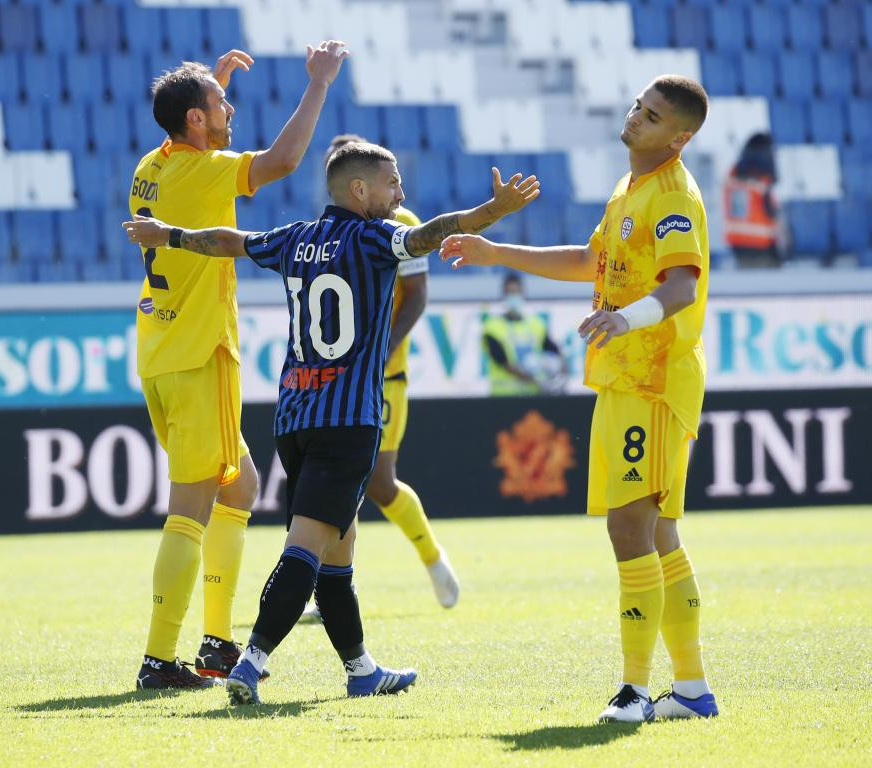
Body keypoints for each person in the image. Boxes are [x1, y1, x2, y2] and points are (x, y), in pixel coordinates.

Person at [123, 141, 539, 705]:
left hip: (295, 416)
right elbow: (433, 232)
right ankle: (249, 663)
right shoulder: (375, 240)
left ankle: (361, 669)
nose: (402, 195)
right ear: (360, 191)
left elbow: (226, 242)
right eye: (393, 185)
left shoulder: (294, 238)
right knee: (307, 548)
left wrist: (169, 235)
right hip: (348, 421)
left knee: (337, 549)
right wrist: (492, 211)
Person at [441, 76, 718, 723]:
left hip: (652, 379)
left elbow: (681, 287)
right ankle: (693, 689)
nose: (635, 119)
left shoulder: (674, 195)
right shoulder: (631, 189)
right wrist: (493, 251)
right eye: (637, 107)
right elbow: (588, 261)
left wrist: (627, 319)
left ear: (678, 137)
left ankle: (633, 689)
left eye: (651, 117)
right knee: (660, 532)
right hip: (627, 377)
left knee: (630, 528)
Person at [131, 42, 350, 690]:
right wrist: (318, 83)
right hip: (201, 353)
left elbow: (199, 146)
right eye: (219, 105)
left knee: (241, 486)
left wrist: (212, 83)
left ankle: (216, 643)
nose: (230, 109)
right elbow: (281, 162)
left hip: (161, 350)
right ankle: (158, 658)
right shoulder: (203, 173)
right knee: (192, 505)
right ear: (195, 122)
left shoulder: (152, 164)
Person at [297, 134, 458, 618]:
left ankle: (434, 560)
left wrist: (384, 350)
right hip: (331, 376)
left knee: (380, 483)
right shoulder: (325, 231)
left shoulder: (400, 225)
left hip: (382, 376)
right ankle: (321, 589)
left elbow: (418, 294)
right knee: (326, 479)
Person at [481, 272, 566, 396]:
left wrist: (561, 376)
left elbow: (556, 352)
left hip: (532, 397)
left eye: (517, 292)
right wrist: (536, 381)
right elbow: (503, 362)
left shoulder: (536, 324)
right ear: (504, 295)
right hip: (503, 397)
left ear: (522, 293)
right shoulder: (492, 327)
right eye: (510, 292)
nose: (513, 296)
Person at [723, 132, 784, 268]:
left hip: (737, 244)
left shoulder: (732, 175)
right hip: (761, 247)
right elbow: (772, 215)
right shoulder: (763, 181)